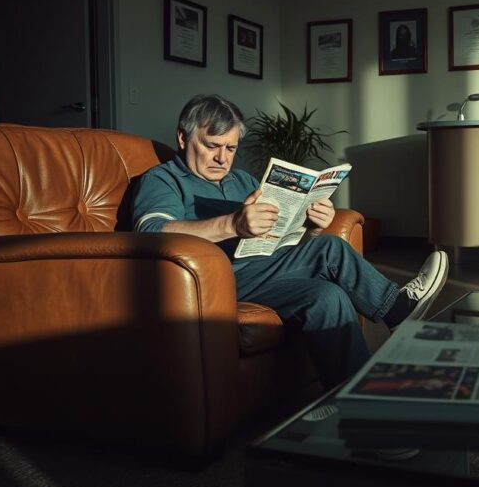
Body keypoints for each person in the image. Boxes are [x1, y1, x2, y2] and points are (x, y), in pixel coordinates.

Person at [132, 94, 449, 387]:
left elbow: (280, 240)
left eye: (231, 149)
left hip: (264, 271)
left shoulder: (242, 180)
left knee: (325, 295)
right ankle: (397, 310)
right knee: (331, 248)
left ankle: (357, 404)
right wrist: (232, 224)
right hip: (214, 281)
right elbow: (152, 232)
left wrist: (310, 227)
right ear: (182, 137)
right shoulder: (162, 179)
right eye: (212, 145)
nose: (221, 158)